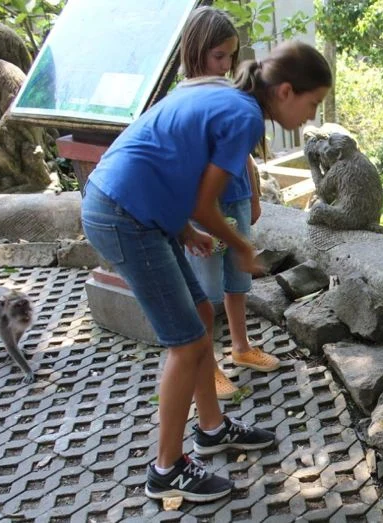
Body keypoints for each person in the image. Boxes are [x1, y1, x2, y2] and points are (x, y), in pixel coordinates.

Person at [80, 32, 331, 502]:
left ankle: (212, 428)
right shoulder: (244, 117)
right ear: (285, 92)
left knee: (200, 315)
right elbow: (204, 201)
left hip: (136, 207)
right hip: (123, 214)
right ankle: (166, 469)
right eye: (313, 103)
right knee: (188, 343)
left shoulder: (224, 93)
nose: (311, 116)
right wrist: (240, 246)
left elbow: (169, 162)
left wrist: (184, 230)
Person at [179, 7, 280, 401]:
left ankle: (241, 347)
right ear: (196, 51)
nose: (225, 65)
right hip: (203, 210)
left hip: (235, 198)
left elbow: (245, 153)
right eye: (218, 56)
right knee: (205, 293)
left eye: (230, 57)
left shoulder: (228, 94)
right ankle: (208, 367)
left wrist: (253, 195)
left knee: (237, 281)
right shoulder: (186, 100)